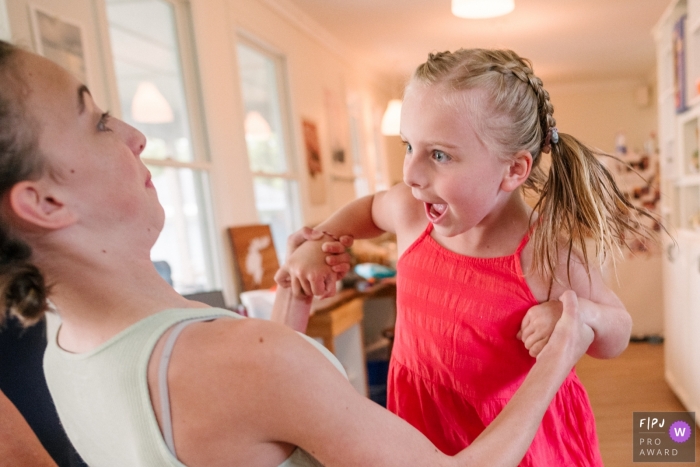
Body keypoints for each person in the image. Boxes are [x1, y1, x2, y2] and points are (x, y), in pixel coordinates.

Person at [0, 40, 594, 467]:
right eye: (97, 119)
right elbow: (265, 382)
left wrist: (292, 301)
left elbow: (258, 425)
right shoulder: (250, 360)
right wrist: (558, 355)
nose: (134, 132)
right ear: (45, 202)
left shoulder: (61, 350)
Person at [280, 48, 657, 466]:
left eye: (439, 155)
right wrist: (324, 239)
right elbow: (370, 209)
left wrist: (577, 314)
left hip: (519, 445)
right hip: (421, 432)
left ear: (513, 170)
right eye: (409, 146)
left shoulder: (544, 254)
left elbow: (618, 329)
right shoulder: (410, 212)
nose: (411, 173)